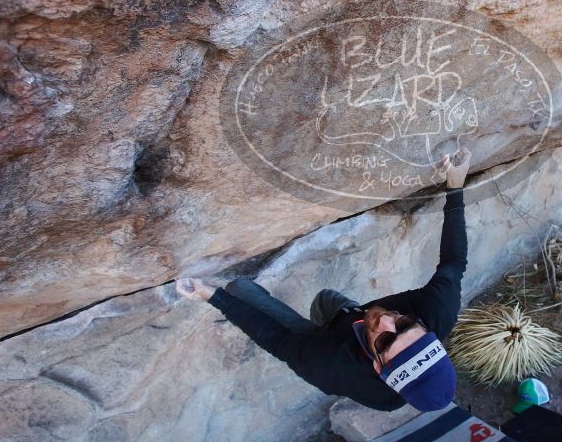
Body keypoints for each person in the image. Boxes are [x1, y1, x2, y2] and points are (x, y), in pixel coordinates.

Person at [176, 147, 472, 412]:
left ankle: (326, 323)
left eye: (385, 340)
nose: (387, 322)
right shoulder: (438, 309)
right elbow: (454, 261)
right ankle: (344, 317)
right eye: (405, 324)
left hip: (320, 342)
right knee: (328, 300)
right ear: (425, 328)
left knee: (238, 289)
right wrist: (455, 186)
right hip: (349, 317)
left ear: (378, 365)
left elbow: (276, 340)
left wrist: (212, 296)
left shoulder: (331, 368)